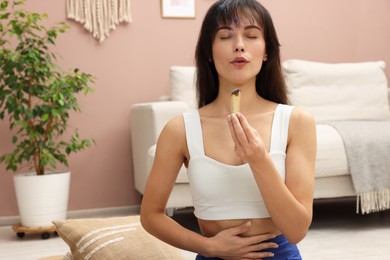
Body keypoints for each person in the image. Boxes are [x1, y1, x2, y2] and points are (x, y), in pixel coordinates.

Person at [140, 0, 317, 259]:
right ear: (209, 52)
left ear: (267, 51)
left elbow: (297, 229)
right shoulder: (180, 130)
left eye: (252, 35)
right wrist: (209, 247)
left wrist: (258, 160)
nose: (239, 44)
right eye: (225, 35)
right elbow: (150, 216)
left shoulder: (296, 122)